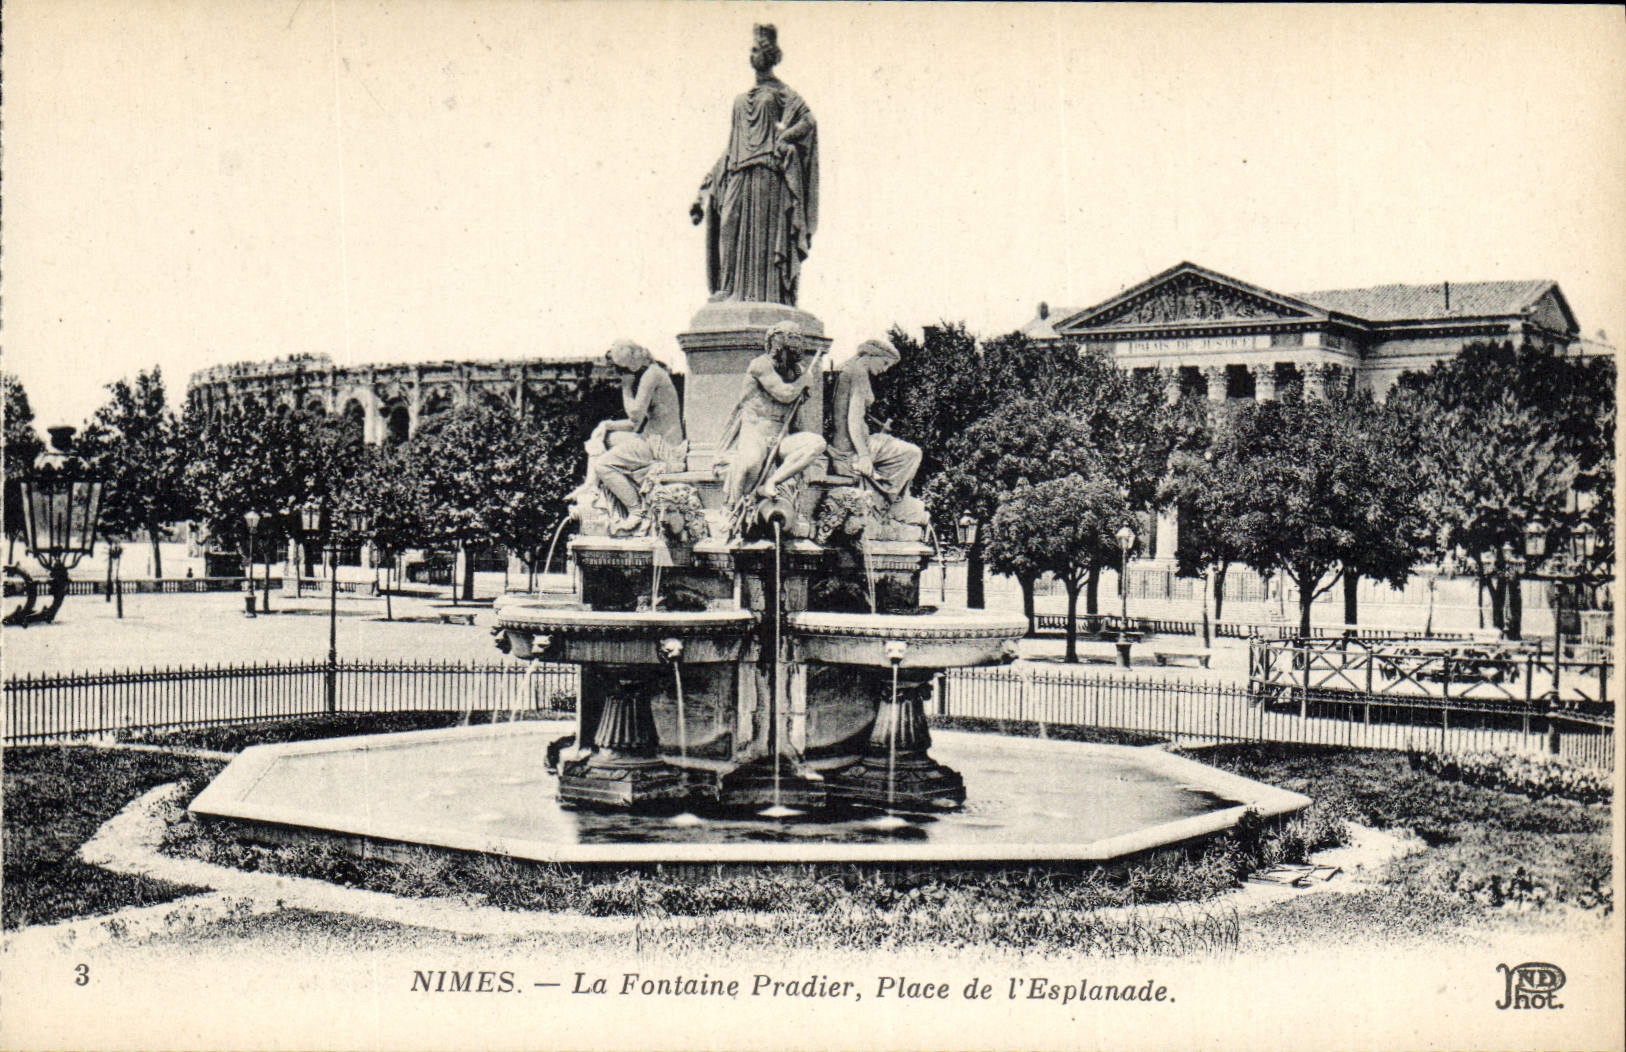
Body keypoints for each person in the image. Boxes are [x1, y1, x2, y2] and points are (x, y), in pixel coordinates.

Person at [689, 24, 818, 307]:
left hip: (766, 174)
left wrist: (784, 135)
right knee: (728, 229)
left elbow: (808, 121)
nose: (752, 53)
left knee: (762, 242)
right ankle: (728, 288)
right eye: (751, 48)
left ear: (770, 54)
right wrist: (703, 189)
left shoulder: (781, 92)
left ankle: (765, 295)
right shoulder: (741, 98)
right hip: (736, 172)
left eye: (757, 48)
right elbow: (731, 145)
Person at [717, 321, 826, 510]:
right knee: (750, 463)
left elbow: (797, 414)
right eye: (793, 339)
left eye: (799, 339)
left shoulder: (796, 372)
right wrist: (804, 382)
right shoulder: (760, 365)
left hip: (780, 438)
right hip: (755, 434)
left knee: (816, 444)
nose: (799, 345)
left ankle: (772, 483)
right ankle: (735, 508)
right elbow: (784, 393)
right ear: (778, 343)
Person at [585, 340, 686, 526]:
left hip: (660, 445)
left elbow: (635, 415)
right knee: (603, 436)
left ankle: (635, 510)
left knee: (603, 465)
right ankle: (589, 487)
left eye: (621, 369)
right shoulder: (654, 373)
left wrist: (626, 387)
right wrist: (607, 424)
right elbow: (635, 424)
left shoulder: (651, 376)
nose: (621, 373)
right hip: (652, 438)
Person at [827, 338, 922, 504]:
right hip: (853, 449)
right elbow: (853, 419)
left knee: (889, 442)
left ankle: (886, 494)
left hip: (847, 444)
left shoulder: (848, 368)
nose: (884, 369)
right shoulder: (859, 373)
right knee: (913, 453)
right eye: (884, 363)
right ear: (872, 354)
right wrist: (864, 456)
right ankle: (887, 498)